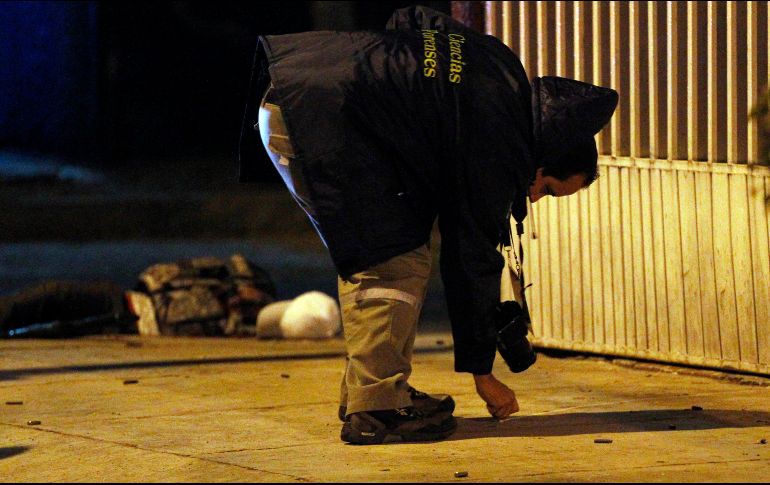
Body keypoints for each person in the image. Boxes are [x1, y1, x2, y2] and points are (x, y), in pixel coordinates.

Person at [238, 5, 618, 445]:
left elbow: (409, 17)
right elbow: (470, 260)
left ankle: (375, 390)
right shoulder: (502, 143)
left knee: (389, 247)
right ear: (544, 156)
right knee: (391, 260)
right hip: (321, 117)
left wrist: (397, 81)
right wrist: (482, 374)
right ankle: (377, 409)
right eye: (547, 188)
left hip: (301, 83)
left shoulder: (500, 64)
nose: (533, 198)